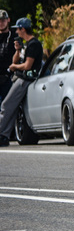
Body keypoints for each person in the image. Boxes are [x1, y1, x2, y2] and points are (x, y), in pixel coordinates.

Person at [0, 17, 43, 147]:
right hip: (22, 78)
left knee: (6, 106)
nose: (16, 32)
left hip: (26, 79)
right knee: (13, 108)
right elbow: (15, 61)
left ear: (23, 29)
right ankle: (4, 136)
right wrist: (18, 50)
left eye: (18, 29)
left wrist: (14, 68)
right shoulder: (26, 44)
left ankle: (1, 132)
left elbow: (27, 66)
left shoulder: (34, 44)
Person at [0, 10, 16, 102]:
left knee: (6, 105)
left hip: (8, 76)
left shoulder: (14, 36)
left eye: (3, 20)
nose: (1, 23)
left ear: (8, 20)